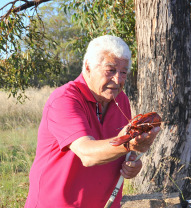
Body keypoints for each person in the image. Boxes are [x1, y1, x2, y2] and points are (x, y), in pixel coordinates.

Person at [25, 35, 160, 208]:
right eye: (110, 70)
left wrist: (133, 163)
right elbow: (87, 155)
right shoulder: (64, 99)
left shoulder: (121, 100)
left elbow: (124, 153)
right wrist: (128, 145)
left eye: (124, 72)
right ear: (88, 67)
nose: (118, 80)